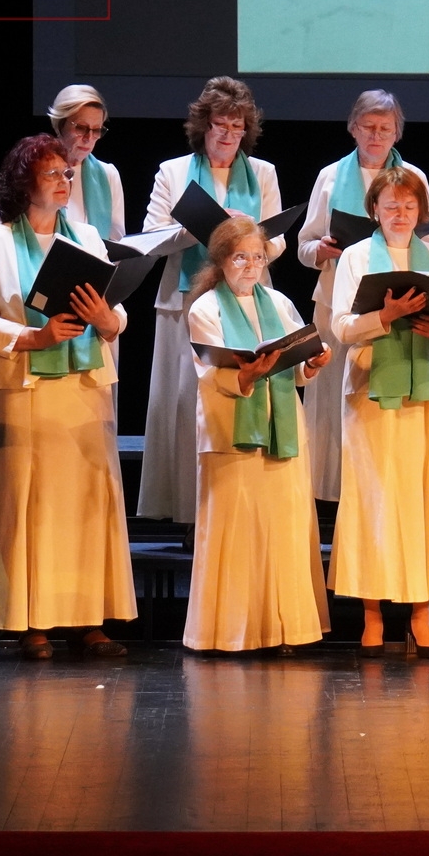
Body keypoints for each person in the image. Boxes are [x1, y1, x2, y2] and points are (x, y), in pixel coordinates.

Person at [0, 134, 135, 660]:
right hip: (27, 389)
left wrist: (109, 320)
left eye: (67, 173)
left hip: (83, 387)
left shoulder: (86, 235)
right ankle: (31, 623)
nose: (65, 180)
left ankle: (88, 620)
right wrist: (32, 337)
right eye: (53, 173)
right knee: (33, 507)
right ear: (24, 183)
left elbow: (113, 310)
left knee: (86, 506)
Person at [329, 169, 429, 657]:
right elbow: (340, 326)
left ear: (421, 212)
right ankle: (372, 614)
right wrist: (384, 316)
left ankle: (421, 614)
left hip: (423, 388)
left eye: (409, 206)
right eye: (391, 205)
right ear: (375, 210)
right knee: (374, 499)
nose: (400, 214)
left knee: (422, 498)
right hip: (371, 389)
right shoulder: (355, 257)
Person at [139, 77, 285, 525]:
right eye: (220, 125)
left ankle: (239, 504)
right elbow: (150, 238)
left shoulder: (262, 173)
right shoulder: (173, 171)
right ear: (204, 126)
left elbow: (278, 241)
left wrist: (250, 235)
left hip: (247, 301)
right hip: (185, 299)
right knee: (189, 402)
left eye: (237, 127)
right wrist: (198, 227)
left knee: (239, 396)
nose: (228, 134)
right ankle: (189, 512)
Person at [183, 217, 332, 654]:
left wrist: (311, 364)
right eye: (240, 258)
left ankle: (285, 630)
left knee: (282, 527)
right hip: (232, 430)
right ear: (221, 261)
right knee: (237, 528)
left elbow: (296, 368)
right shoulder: (205, 309)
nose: (251, 266)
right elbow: (209, 372)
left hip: (282, 428)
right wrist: (247, 375)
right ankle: (232, 632)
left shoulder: (280, 303)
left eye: (258, 258)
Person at [297, 91, 429, 504]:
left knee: (384, 402)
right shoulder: (330, 176)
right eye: (368, 127)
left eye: (385, 129)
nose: (376, 136)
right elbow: (304, 245)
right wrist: (321, 249)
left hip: (397, 305)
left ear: (397, 133)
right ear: (353, 128)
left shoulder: (413, 177)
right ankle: (331, 491)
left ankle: (381, 487)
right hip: (338, 302)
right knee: (331, 398)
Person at [45, 84, 125, 240]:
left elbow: (116, 240)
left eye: (97, 130)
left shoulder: (108, 174)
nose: (89, 138)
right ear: (60, 125)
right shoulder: (35, 171)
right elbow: (3, 227)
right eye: (81, 128)